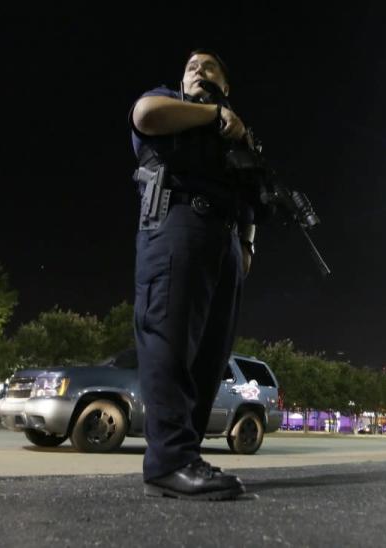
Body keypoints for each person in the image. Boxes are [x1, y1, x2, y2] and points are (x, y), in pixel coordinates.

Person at [129, 49, 257, 500]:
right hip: (177, 221)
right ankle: (169, 461)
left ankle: (188, 458)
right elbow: (146, 115)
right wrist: (213, 112)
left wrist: (247, 242)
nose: (198, 70)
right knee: (170, 336)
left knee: (211, 352)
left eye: (209, 66)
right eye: (190, 65)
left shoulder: (234, 133)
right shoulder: (172, 101)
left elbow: (250, 192)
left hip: (223, 238)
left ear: (227, 82)